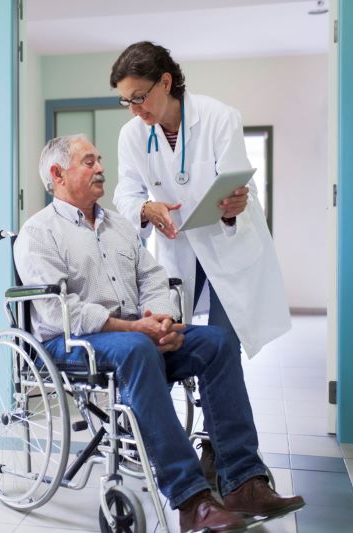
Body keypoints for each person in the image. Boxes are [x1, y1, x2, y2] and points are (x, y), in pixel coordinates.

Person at [14, 135, 304, 533]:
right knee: (136, 349)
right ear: (57, 174)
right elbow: (59, 310)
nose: (101, 168)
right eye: (88, 162)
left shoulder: (119, 224)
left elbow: (153, 280)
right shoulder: (38, 233)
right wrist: (135, 328)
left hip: (138, 337)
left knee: (217, 342)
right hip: (70, 343)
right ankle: (190, 499)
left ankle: (243, 481)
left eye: (99, 159)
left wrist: (163, 320)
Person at [110, 41, 292, 488]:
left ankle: (228, 457)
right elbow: (126, 193)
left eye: (140, 97)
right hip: (178, 250)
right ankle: (226, 458)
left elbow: (234, 186)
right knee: (196, 350)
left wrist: (231, 205)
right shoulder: (132, 135)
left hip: (229, 250)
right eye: (125, 100)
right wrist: (143, 211)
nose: (134, 109)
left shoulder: (217, 117)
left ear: (166, 82)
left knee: (225, 351)